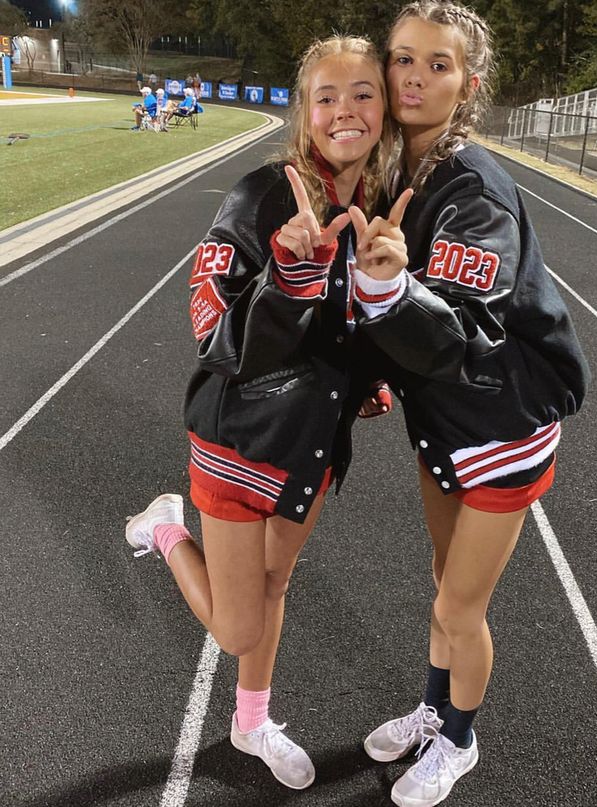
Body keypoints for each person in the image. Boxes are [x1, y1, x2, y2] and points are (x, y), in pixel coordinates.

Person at [124, 35, 398, 790]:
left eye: (363, 92)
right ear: (304, 112)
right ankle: (166, 527)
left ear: (385, 106)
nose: (346, 108)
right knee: (239, 623)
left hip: (311, 442)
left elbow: (348, 324)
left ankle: (250, 722)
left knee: (276, 586)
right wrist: (288, 272)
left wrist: (367, 379)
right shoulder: (258, 195)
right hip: (239, 437)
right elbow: (213, 331)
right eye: (327, 96)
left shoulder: (373, 200)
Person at [349, 3, 590, 805]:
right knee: (441, 580)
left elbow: (455, 332)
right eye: (403, 58)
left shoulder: (475, 185)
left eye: (438, 64)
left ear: (468, 84)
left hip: (500, 422)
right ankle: (431, 707)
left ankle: (460, 738)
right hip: (446, 416)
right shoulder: (401, 169)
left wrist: (386, 289)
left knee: (462, 602)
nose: (414, 77)